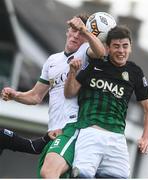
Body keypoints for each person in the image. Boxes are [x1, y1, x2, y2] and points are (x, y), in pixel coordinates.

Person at [1, 13, 105, 178]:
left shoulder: (85, 52)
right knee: (48, 175)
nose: (76, 35)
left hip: (73, 127)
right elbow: (35, 96)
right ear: (67, 31)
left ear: (86, 37)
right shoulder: (52, 60)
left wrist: (85, 30)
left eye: (81, 33)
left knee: (49, 172)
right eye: (74, 30)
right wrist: (16, 95)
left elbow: (101, 52)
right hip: (54, 131)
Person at [64, 25, 148, 178]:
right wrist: (72, 72)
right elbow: (69, 93)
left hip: (117, 138)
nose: (121, 51)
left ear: (130, 47)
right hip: (90, 132)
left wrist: (146, 137)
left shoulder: (135, 72)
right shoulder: (95, 64)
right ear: (107, 47)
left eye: (125, 46)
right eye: (116, 46)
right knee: (82, 176)